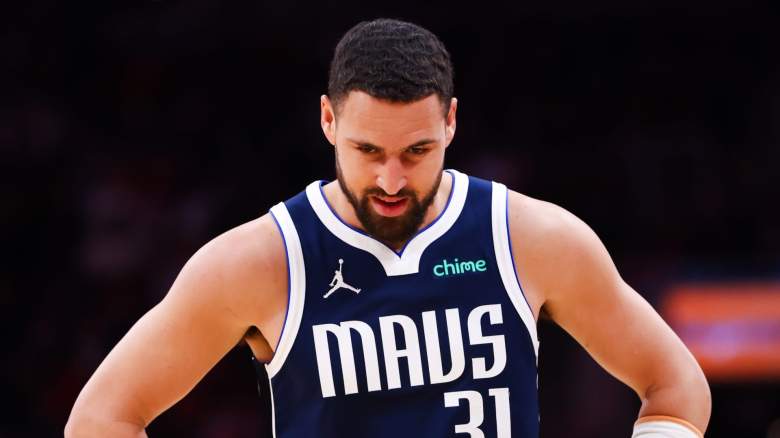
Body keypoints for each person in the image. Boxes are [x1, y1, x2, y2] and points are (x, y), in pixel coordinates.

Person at [65, 18, 711, 438]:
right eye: (368, 152)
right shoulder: (261, 261)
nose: (393, 180)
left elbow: (675, 387)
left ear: (451, 122)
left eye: (417, 151)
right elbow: (101, 418)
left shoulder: (531, 239)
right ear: (328, 121)